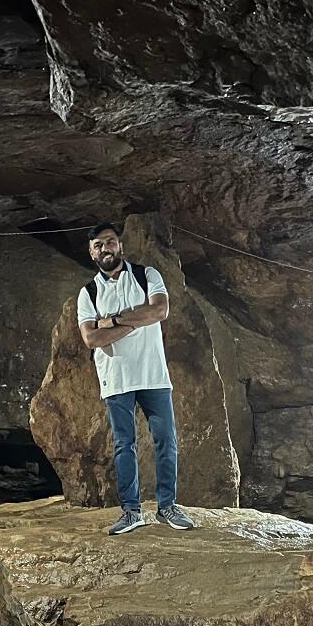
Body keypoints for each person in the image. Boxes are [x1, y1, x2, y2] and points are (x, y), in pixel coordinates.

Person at [76, 221, 195, 535]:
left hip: (153, 374)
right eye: (99, 245)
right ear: (91, 253)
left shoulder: (147, 275)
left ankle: (167, 507)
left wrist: (114, 321)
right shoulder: (88, 293)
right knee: (123, 445)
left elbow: (159, 311)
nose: (106, 248)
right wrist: (136, 320)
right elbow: (91, 339)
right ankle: (131, 511)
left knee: (166, 441)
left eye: (110, 242)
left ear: (120, 246)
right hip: (116, 378)